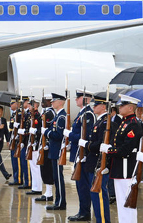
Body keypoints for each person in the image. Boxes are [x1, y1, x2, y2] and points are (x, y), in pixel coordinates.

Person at [101, 94, 142, 223]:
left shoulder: (133, 125)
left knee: (127, 203)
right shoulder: (124, 122)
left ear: (130, 108)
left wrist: (108, 150)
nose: (119, 107)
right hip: (119, 168)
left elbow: (125, 150)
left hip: (126, 170)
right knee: (121, 203)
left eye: (122, 105)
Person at [64, 89, 95, 221]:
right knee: (80, 185)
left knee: (83, 185)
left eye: (78, 98)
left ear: (86, 99)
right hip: (78, 153)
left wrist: (69, 135)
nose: (76, 100)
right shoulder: (82, 113)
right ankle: (82, 210)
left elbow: (85, 136)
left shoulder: (88, 115)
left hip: (83, 155)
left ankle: (85, 212)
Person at [86, 94, 113, 223]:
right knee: (95, 196)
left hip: (99, 164)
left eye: (96, 105)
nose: (94, 107)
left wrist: (87, 145)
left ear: (103, 107)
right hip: (94, 163)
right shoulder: (100, 121)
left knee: (100, 196)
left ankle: (103, 221)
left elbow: (100, 144)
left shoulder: (105, 123)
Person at [44, 92, 67, 210]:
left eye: (54, 101)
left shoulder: (62, 117)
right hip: (53, 151)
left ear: (60, 102)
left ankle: (61, 203)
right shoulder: (58, 116)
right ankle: (58, 201)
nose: (52, 103)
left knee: (58, 178)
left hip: (58, 152)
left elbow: (59, 135)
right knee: (56, 178)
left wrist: (46, 132)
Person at [35, 94, 55, 202]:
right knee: (43, 168)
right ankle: (47, 192)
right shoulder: (45, 112)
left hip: (47, 145)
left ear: (49, 101)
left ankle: (49, 193)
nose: (42, 102)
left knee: (47, 169)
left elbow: (47, 128)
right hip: (42, 144)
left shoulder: (50, 113)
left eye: (44, 100)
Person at [26, 99, 43, 195]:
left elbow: (40, 130)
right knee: (32, 167)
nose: (29, 107)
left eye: (30, 105)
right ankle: (35, 187)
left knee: (36, 167)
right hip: (31, 143)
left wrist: (35, 132)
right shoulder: (30, 116)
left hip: (36, 144)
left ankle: (38, 188)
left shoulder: (38, 116)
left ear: (35, 106)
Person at [16, 96, 31, 190]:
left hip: (27, 142)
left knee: (27, 164)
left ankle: (28, 182)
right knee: (23, 163)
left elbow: (28, 129)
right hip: (24, 142)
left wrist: (24, 133)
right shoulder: (24, 113)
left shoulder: (29, 114)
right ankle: (26, 181)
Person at [8, 97, 22, 186]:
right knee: (14, 161)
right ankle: (16, 178)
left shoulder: (19, 114)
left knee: (18, 161)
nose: (10, 105)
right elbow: (11, 129)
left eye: (12, 103)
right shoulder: (13, 115)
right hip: (13, 140)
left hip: (17, 140)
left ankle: (19, 179)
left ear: (17, 104)